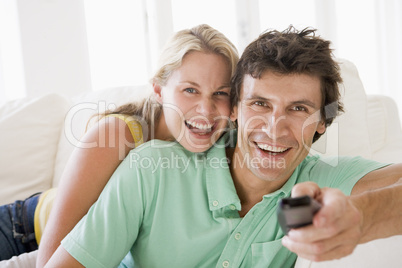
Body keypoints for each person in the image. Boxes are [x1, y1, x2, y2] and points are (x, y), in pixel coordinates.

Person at [44, 26, 402, 268]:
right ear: (234, 110)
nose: (274, 129)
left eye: (298, 109)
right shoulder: (148, 169)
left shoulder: (324, 181)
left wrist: (364, 215)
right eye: (260, 104)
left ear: (323, 121)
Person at [0, 24, 239, 264]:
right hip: (26, 230)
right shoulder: (119, 135)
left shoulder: (227, 143)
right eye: (190, 90)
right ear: (158, 90)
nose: (206, 110)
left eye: (221, 93)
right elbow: (49, 260)